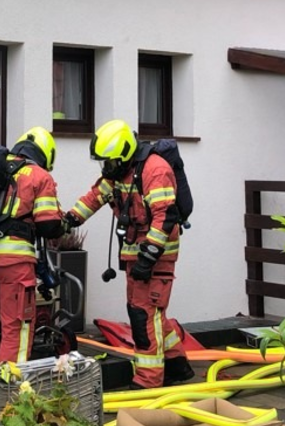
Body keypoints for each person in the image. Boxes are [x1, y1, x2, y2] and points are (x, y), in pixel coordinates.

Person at [63, 119, 193, 389]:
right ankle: (177, 366)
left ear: (123, 155)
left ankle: (147, 380)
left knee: (143, 315)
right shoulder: (119, 173)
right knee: (150, 313)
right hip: (136, 254)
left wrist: (149, 256)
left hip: (157, 255)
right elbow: (95, 197)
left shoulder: (155, 170)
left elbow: (164, 217)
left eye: (109, 162)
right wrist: (68, 221)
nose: (106, 168)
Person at [0, 126, 66, 367]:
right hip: (15, 263)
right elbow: (48, 225)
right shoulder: (39, 176)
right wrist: (63, 223)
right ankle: (11, 388)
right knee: (17, 325)